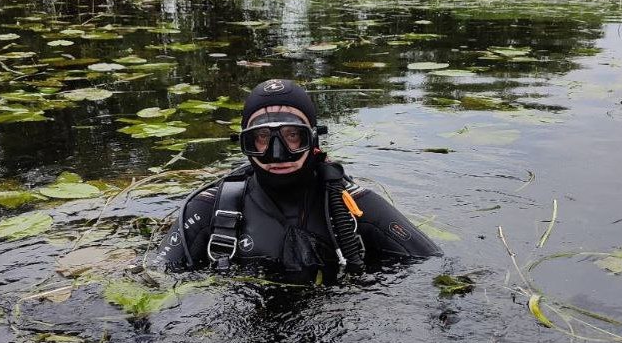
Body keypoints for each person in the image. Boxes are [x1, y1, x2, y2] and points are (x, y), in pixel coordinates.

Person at [151, 79, 441, 282]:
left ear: (313, 140)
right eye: (262, 139)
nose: (278, 154)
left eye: (293, 136)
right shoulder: (211, 210)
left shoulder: (356, 208)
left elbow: (437, 271)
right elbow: (153, 279)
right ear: (244, 144)